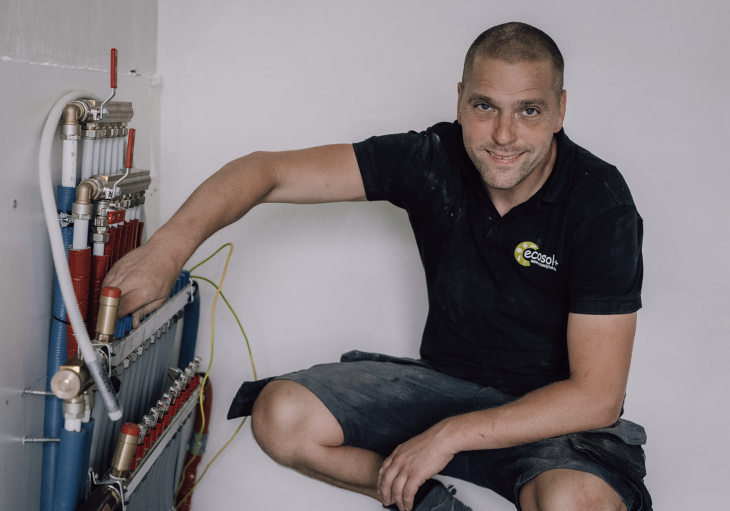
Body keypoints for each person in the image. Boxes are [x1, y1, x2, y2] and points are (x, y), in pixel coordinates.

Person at [104, 22, 651, 511]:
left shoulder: (599, 203)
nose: (504, 135)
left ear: (559, 110)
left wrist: (449, 436)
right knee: (282, 416)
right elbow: (265, 171)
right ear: (461, 101)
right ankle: (429, 505)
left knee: (575, 504)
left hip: (551, 417)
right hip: (443, 386)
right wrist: (166, 251)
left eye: (528, 110)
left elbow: (596, 396)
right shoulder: (432, 159)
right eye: (485, 107)